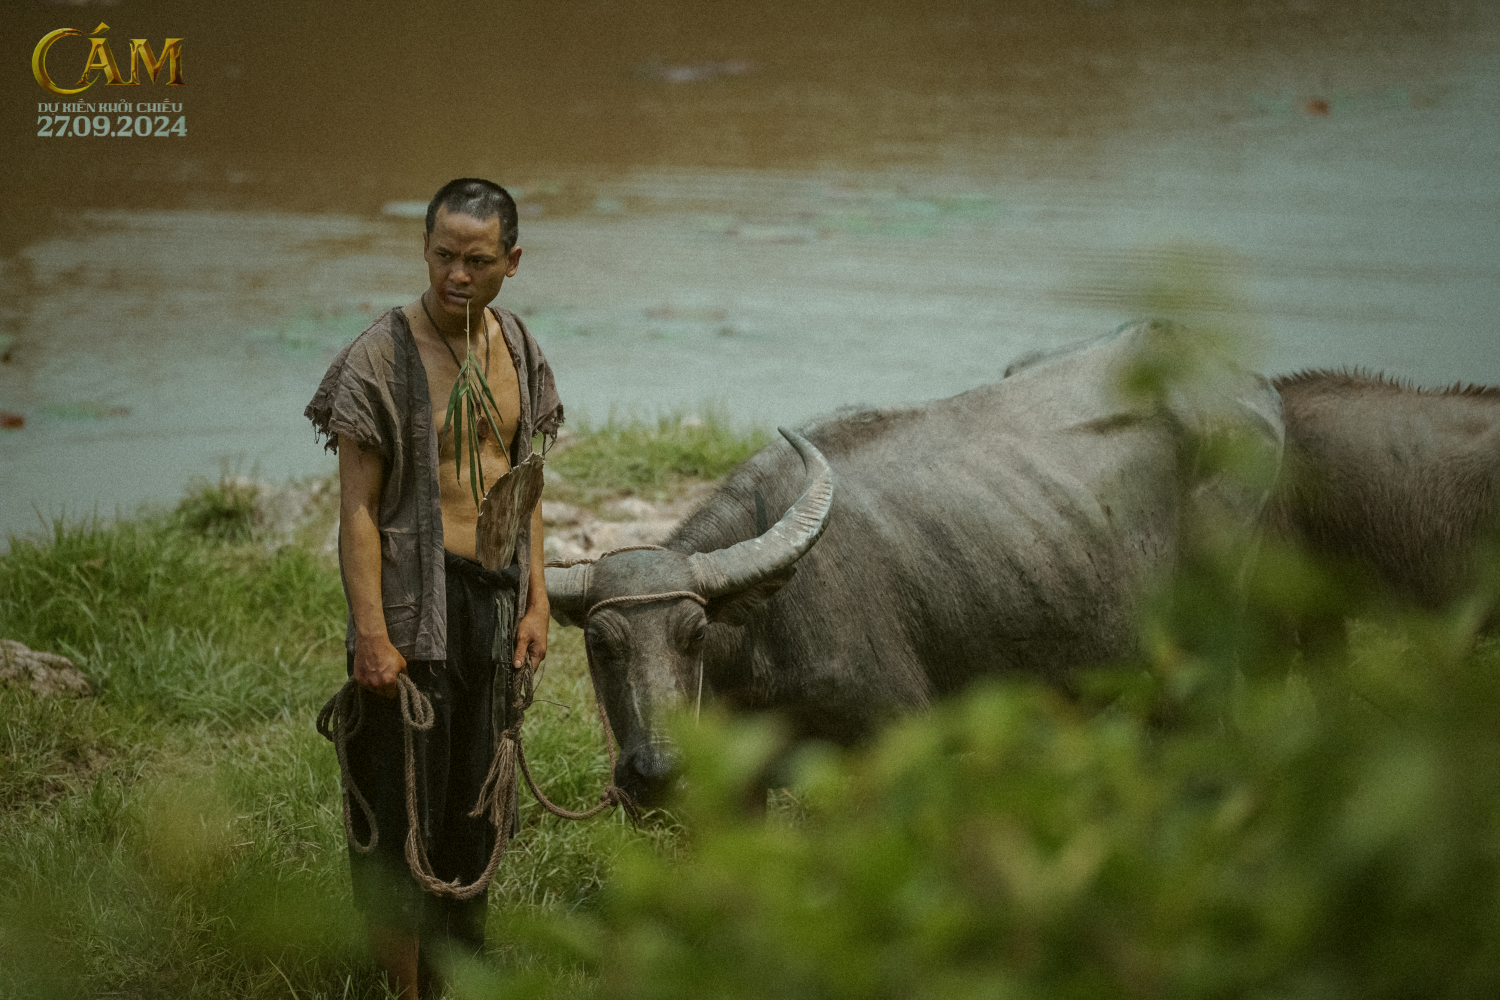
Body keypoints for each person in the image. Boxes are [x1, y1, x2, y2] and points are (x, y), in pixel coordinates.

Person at [305, 178, 563, 999]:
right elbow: (356, 513)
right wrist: (372, 636)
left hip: (493, 602)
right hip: (414, 610)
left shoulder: (518, 346)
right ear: (424, 250)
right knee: (397, 807)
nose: (458, 274)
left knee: (475, 805)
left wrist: (538, 598)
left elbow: (527, 483)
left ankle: (459, 976)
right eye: (444, 255)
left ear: (511, 262)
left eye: (477, 260)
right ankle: (402, 991)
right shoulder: (379, 357)